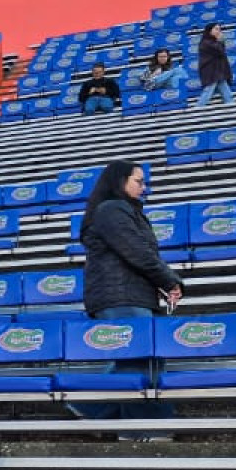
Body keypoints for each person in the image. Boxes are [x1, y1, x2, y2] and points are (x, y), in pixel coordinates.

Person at [72, 160, 182, 426]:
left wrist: (160, 283)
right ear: (120, 180)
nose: (144, 187)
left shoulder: (120, 210)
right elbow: (136, 251)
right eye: (139, 181)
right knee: (139, 358)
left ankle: (91, 409)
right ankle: (136, 426)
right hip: (121, 295)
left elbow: (137, 254)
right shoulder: (112, 209)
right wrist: (169, 281)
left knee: (138, 359)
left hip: (131, 293)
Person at [198, 22, 235, 106]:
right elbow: (220, 51)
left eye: (219, 29)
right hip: (211, 72)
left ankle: (232, 107)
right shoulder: (206, 42)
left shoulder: (214, 42)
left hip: (218, 72)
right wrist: (220, 41)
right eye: (216, 29)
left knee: (227, 93)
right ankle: (198, 109)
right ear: (209, 31)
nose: (219, 31)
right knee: (208, 92)